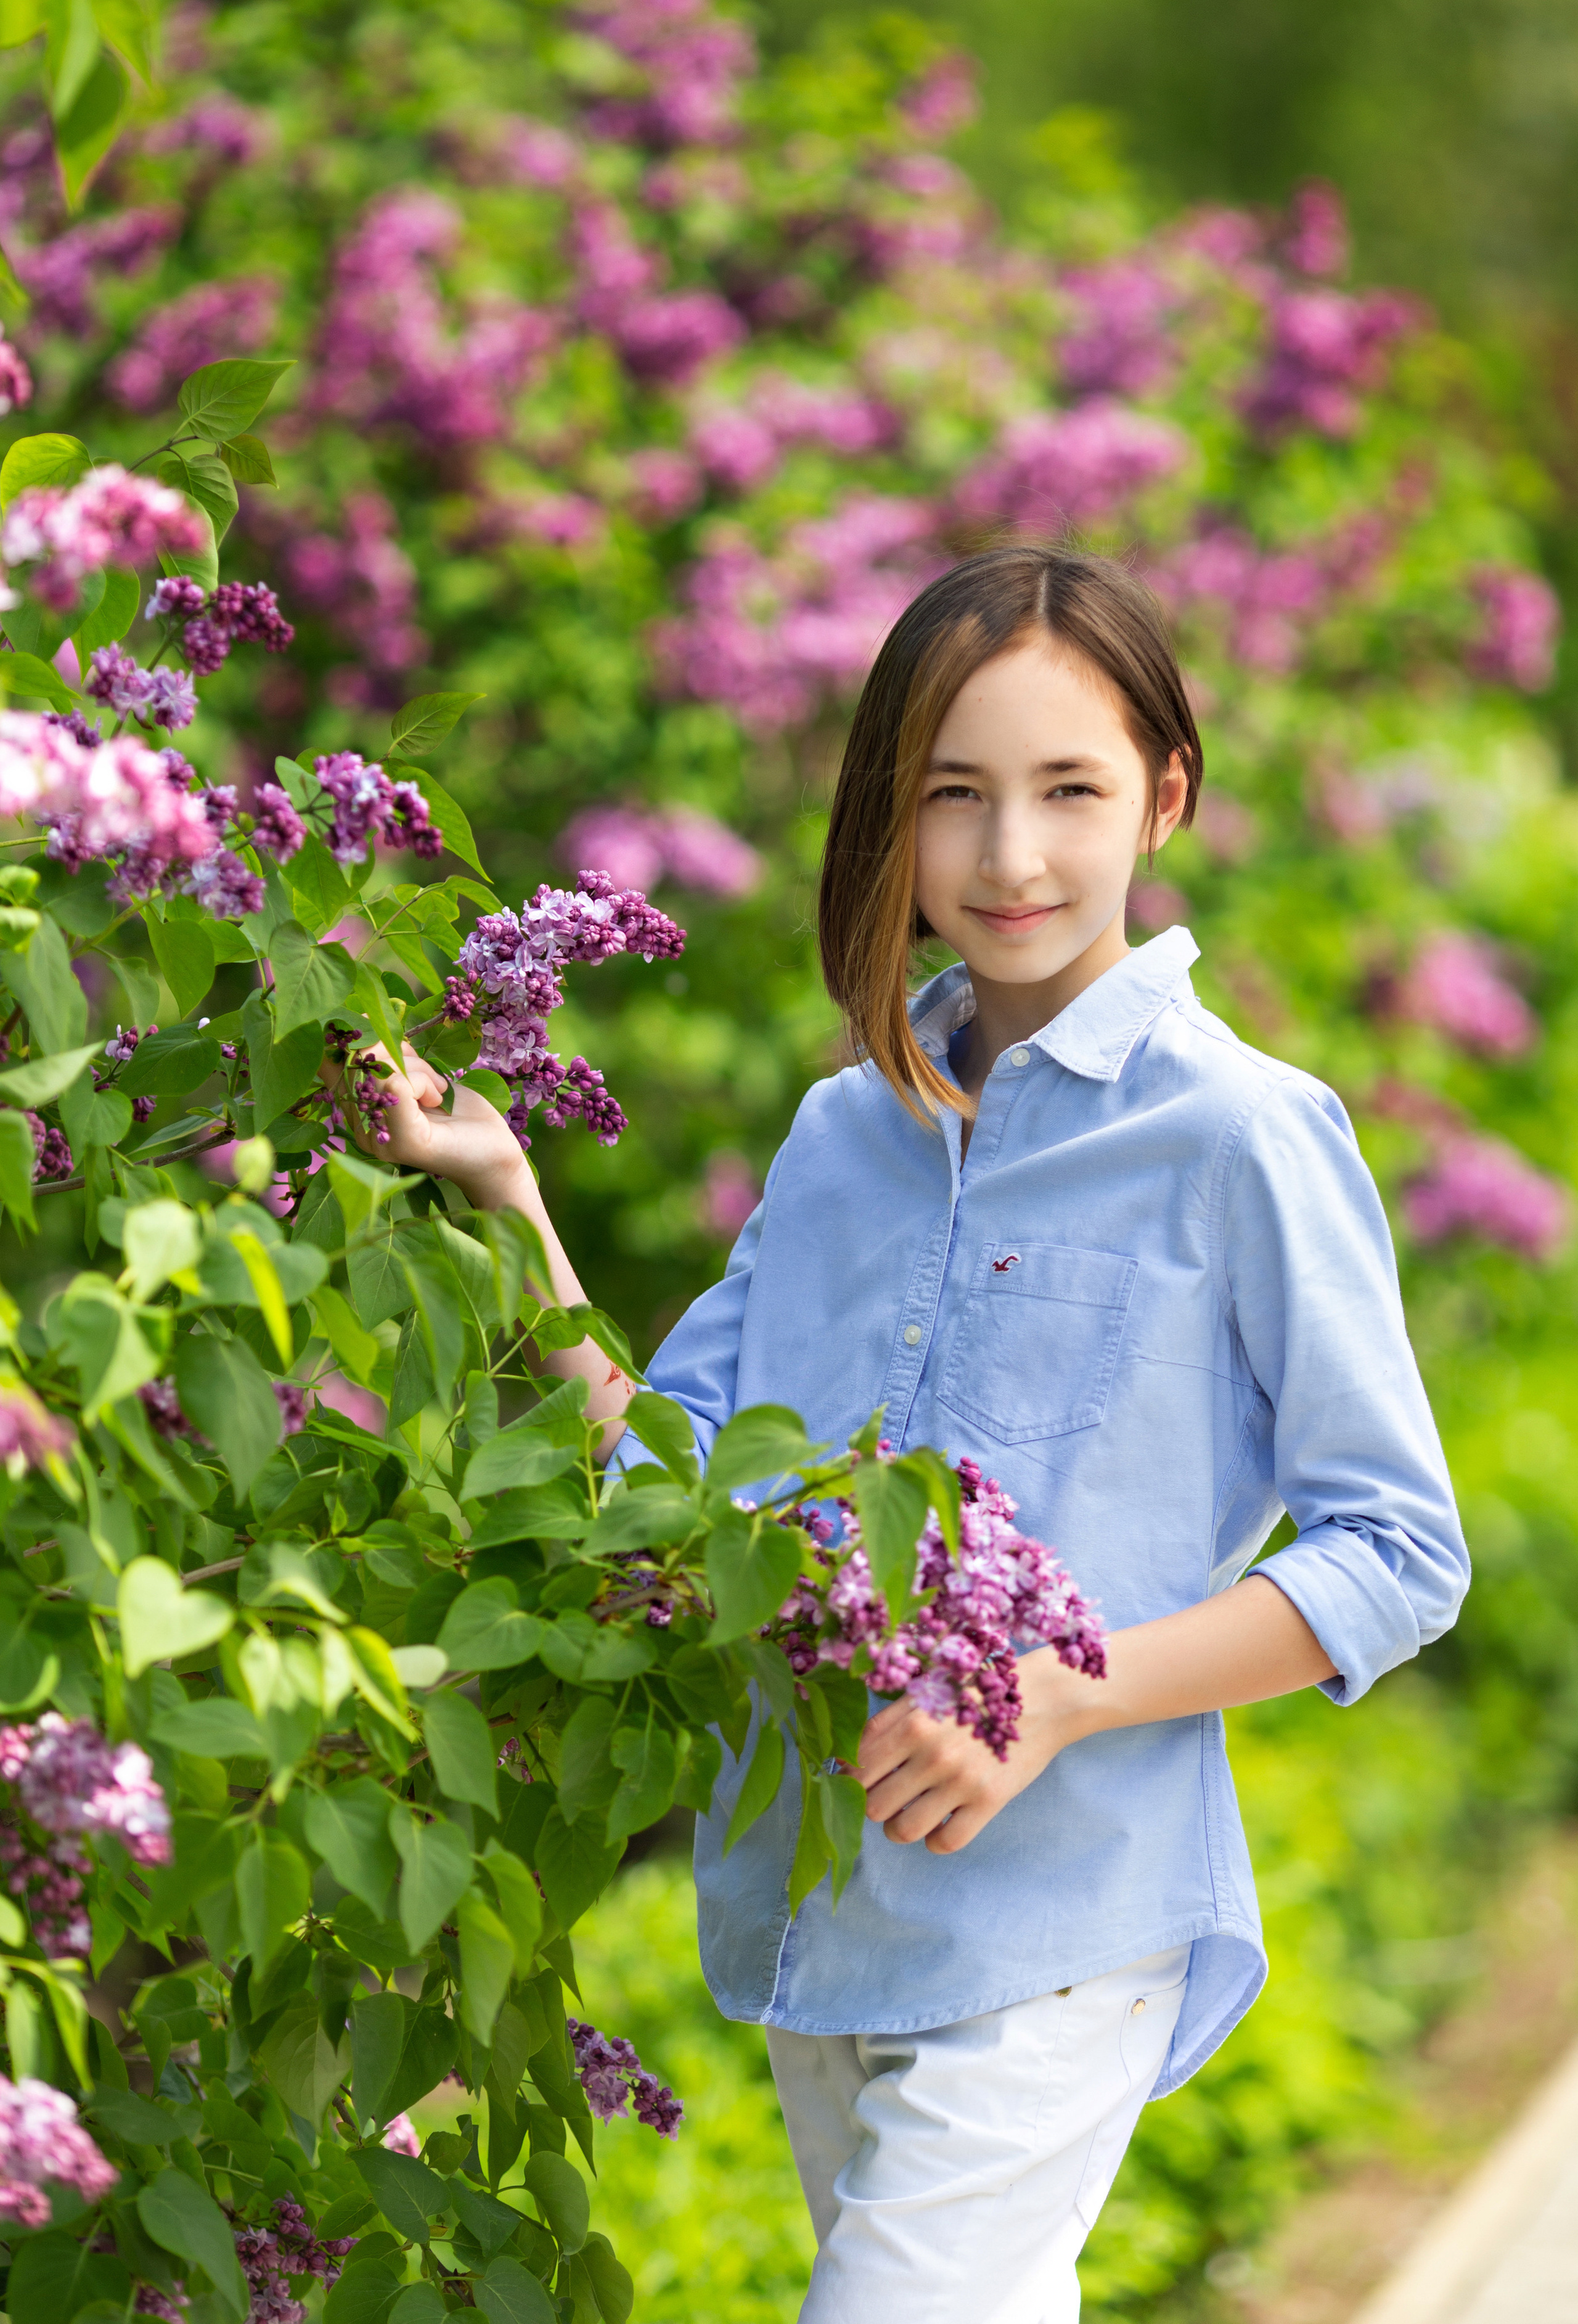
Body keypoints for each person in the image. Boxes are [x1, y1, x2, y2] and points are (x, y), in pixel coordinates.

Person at [341, 546, 1469, 2324]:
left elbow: (1400, 1552)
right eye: (956, 797)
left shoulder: (1245, 1135)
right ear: (893, 817)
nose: (1011, 856)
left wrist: (1068, 1689)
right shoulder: (837, 1136)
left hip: (1066, 1917)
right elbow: (674, 1479)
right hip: (828, 1901)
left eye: (1069, 790)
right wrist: (508, 1201)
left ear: (1165, 794)